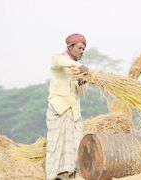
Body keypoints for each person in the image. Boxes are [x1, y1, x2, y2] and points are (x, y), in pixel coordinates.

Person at [46, 33, 88, 180]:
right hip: (58, 109)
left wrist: (81, 83)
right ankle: (53, 176)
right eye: (80, 48)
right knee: (56, 144)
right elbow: (62, 61)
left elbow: (78, 91)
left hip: (74, 111)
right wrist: (80, 66)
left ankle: (69, 175)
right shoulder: (58, 60)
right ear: (70, 47)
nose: (82, 51)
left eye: (84, 49)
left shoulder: (77, 69)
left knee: (76, 144)